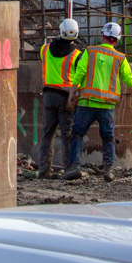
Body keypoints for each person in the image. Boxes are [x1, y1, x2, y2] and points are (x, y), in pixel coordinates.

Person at [63, 21, 132, 183]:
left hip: (87, 103)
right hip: (107, 105)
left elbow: (80, 72)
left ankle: (74, 167)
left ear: (103, 36)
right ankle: (108, 169)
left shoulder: (90, 51)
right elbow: (129, 79)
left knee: (77, 134)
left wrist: (72, 92)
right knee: (108, 137)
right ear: (117, 39)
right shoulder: (120, 57)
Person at [36, 18, 82, 178]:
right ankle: (68, 169)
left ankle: (44, 169)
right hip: (66, 97)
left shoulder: (45, 49)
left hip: (48, 95)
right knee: (67, 134)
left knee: (47, 134)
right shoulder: (76, 55)